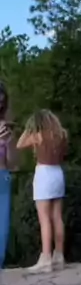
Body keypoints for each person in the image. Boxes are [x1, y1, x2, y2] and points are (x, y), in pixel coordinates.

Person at [17, 109, 67, 274]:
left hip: (44, 174)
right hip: (57, 173)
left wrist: (29, 128)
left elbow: (19, 144)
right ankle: (58, 256)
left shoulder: (37, 136)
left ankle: (45, 258)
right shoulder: (61, 135)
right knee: (57, 216)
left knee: (44, 218)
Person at [0, 82, 16, 272]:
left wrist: (9, 142)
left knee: (2, 228)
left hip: (3, 177)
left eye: (2, 103)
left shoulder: (5, 126)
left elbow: (13, 161)